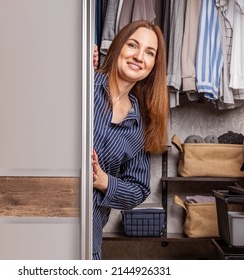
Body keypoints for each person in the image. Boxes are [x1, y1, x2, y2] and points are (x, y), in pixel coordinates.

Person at [92, 20, 169, 260]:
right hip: (41, 220)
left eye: (149, 52)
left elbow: (139, 188)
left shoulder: (139, 124)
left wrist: (103, 181)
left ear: (153, 65)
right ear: (117, 47)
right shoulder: (84, 85)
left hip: (88, 241)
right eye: (132, 45)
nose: (138, 56)